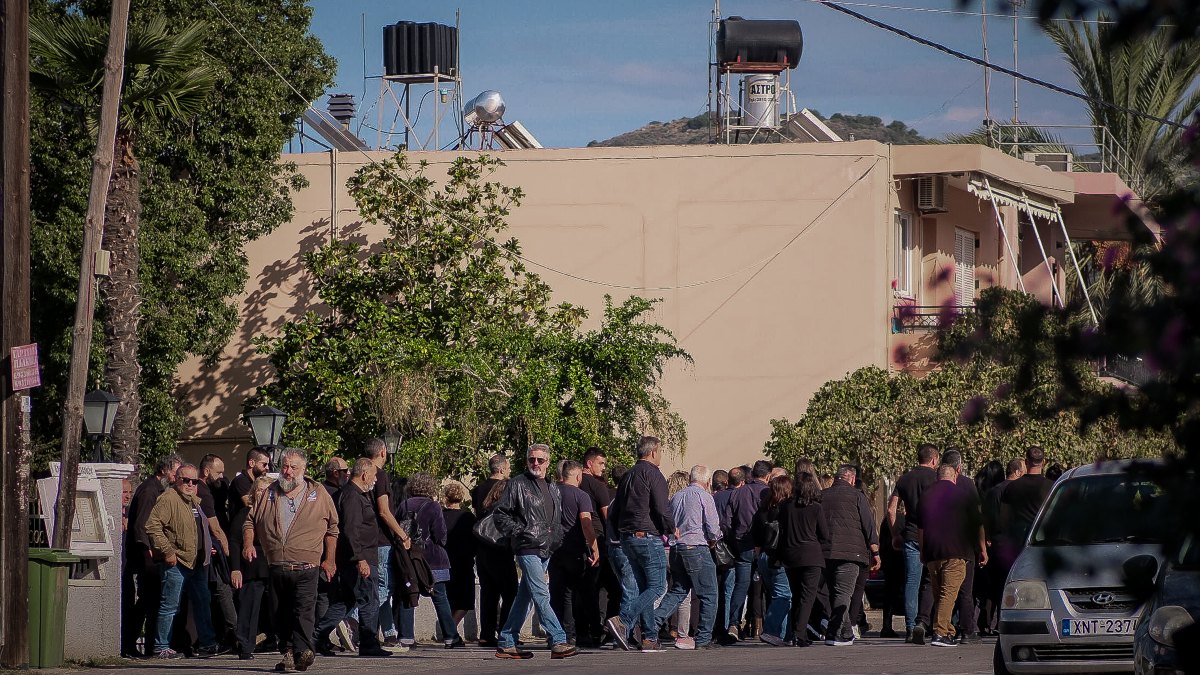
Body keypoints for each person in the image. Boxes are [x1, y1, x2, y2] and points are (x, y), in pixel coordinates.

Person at [243, 448, 339, 673]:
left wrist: (330, 559)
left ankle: (303, 651)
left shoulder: (319, 493)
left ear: (303, 470)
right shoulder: (268, 493)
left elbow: (332, 529)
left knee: (304, 610)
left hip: (307, 566)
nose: (287, 472)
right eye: (284, 466)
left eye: (293, 467)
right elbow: (250, 522)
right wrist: (248, 544)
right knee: (279, 613)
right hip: (277, 565)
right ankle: (288, 653)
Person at [491, 443, 577, 660]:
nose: (535, 463)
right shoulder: (518, 484)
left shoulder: (553, 487)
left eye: (540, 460)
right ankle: (558, 638)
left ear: (548, 462)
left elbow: (556, 519)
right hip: (527, 546)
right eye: (531, 459)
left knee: (526, 596)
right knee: (540, 592)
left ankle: (507, 641)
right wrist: (521, 531)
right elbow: (500, 514)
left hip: (546, 548)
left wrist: (556, 538)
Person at [314, 458, 391, 658]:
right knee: (368, 600)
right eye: (373, 475)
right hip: (359, 558)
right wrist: (360, 559)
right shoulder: (352, 497)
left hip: (356, 558)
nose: (375, 480)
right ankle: (368, 642)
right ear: (364, 474)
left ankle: (316, 637)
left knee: (345, 602)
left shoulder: (354, 495)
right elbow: (350, 530)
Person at [144, 463, 222, 659]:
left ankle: (207, 643)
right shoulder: (168, 498)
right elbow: (152, 526)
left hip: (196, 562)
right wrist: (168, 552)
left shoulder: (193, 500)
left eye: (194, 481)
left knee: (203, 602)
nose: (189, 484)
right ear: (176, 480)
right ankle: (161, 646)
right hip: (177, 561)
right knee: (170, 605)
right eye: (185, 480)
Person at [607, 436, 674, 652]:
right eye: (661, 451)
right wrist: (671, 528)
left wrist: (620, 532)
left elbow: (615, 511)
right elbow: (662, 508)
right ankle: (623, 620)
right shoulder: (654, 474)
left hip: (627, 538)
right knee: (657, 586)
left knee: (644, 587)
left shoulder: (627, 475)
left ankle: (649, 637)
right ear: (654, 452)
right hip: (647, 536)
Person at [918, 462, 987, 647]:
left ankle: (948, 630)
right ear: (955, 476)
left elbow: (921, 529)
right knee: (948, 594)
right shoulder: (963, 496)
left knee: (939, 592)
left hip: (933, 552)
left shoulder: (926, 495)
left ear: (937, 477)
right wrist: (983, 549)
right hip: (957, 551)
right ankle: (940, 633)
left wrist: (922, 551)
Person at [653, 465, 721, 650]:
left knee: (678, 591)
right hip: (696, 547)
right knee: (709, 594)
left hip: (676, 548)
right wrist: (714, 540)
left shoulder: (677, 496)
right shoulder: (704, 496)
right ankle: (704, 638)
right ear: (707, 481)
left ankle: (653, 625)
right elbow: (713, 528)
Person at [121, 453, 182, 658]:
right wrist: (149, 557)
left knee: (150, 603)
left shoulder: (159, 490)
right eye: (175, 473)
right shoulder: (149, 491)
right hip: (144, 559)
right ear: (164, 470)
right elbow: (142, 527)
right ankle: (130, 645)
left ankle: (146, 647)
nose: (177, 477)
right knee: (145, 604)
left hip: (150, 558)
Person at [396, 472, 463, 648]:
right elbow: (441, 536)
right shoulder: (433, 506)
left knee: (409, 596)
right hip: (434, 560)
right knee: (440, 599)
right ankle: (450, 637)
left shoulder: (404, 505)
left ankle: (406, 637)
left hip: (410, 559)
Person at [362, 438, 412, 648]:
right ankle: (352, 616)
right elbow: (384, 510)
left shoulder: (359, 475)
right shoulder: (380, 476)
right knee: (384, 587)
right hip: (382, 539)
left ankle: (389, 633)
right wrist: (402, 534)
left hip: (366, 538)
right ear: (383, 452)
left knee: (377, 585)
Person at [821, 464, 879, 646]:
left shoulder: (822, 496)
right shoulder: (857, 496)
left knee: (835, 592)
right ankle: (834, 632)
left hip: (827, 552)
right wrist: (875, 552)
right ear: (852, 479)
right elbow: (868, 526)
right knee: (844, 593)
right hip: (851, 552)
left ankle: (846, 632)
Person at [887, 443, 939, 644]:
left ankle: (909, 628)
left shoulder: (904, 479)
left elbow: (891, 510)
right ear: (934, 459)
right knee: (932, 581)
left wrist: (895, 534)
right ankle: (925, 623)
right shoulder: (937, 479)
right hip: (934, 537)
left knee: (911, 581)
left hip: (910, 536)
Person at [776, 471, 830, 648]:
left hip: (790, 555)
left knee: (797, 594)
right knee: (807, 596)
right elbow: (824, 535)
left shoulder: (785, 507)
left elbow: (781, 531)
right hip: (811, 556)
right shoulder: (815, 507)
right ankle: (799, 634)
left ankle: (794, 632)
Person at [550, 461, 599, 646]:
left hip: (554, 549)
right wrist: (595, 548)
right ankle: (585, 633)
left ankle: (560, 634)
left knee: (557, 593)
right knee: (580, 593)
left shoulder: (551, 493)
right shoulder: (581, 495)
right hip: (575, 549)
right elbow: (586, 523)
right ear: (578, 476)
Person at [725, 460, 771, 640]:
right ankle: (764, 626)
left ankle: (734, 623)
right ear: (767, 476)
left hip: (742, 544)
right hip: (765, 547)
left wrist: (734, 538)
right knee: (767, 587)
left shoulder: (738, 493)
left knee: (741, 586)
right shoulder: (768, 493)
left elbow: (727, 521)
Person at [230, 476, 272, 660]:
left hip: (274, 566)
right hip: (253, 567)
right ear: (254, 493)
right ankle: (245, 646)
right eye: (260, 490)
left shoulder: (275, 512)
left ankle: (273, 639)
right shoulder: (245, 513)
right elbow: (234, 541)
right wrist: (235, 568)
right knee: (250, 606)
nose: (263, 494)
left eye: (267, 490)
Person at [982, 458, 1025, 635]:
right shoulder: (1019, 491)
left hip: (996, 542)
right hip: (1014, 542)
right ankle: (1007, 621)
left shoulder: (993, 492)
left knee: (997, 585)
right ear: (1017, 471)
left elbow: (986, 518)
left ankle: (991, 622)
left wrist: (988, 538)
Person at [198, 453, 236, 651]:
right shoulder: (204, 493)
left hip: (206, 548)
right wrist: (229, 553)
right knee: (222, 589)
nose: (222, 476)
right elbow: (215, 527)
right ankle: (232, 632)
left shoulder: (209, 490)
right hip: (212, 549)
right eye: (218, 472)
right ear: (206, 471)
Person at [752, 474, 795, 646]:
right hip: (779, 558)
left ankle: (783, 635)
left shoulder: (761, 511)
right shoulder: (785, 510)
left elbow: (755, 539)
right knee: (784, 596)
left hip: (763, 556)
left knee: (778, 596)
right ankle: (771, 630)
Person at [475, 478, 516, 648]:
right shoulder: (505, 510)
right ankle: (506, 631)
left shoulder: (486, 508)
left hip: (483, 555)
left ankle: (486, 634)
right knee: (511, 593)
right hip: (500, 554)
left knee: (489, 595)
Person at [577, 447, 612, 646]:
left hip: (577, 540)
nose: (604, 468)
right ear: (589, 464)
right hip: (597, 539)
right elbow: (607, 516)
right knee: (599, 587)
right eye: (601, 463)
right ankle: (598, 629)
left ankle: (580, 630)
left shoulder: (573, 483)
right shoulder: (598, 487)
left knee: (580, 587)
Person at [1000, 446, 1054, 549]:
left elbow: (1004, 518)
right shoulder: (1051, 487)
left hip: (1017, 543)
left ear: (1026, 462)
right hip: (1043, 543)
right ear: (1043, 463)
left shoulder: (1012, 487)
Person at [442, 481, 477, 632]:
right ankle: (450, 629)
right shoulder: (468, 517)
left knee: (449, 598)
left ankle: (449, 628)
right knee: (465, 601)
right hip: (464, 562)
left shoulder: (441, 516)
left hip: (445, 562)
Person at [713, 466, 741, 643]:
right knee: (729, 589)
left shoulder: (713, 498)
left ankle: (716, 627)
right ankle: (727, 627)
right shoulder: (735, 496)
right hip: (730, 548)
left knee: (715, 589)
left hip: (714, 547)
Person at [227, 448, 270, 524]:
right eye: (264, 464)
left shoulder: (257, 481)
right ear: (251, 463)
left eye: (268, 464)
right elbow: (249, 503)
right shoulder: (241, 480)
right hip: (240, 529)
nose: (267, 468)